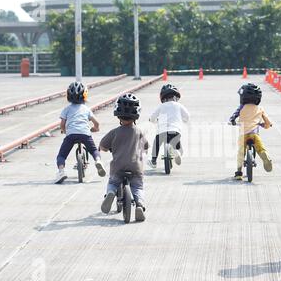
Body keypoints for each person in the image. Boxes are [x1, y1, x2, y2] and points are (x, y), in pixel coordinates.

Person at [99, 93, 149, 222]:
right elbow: (146, 146)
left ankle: (110, 193)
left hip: (118, 167)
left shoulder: (114, 132)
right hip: (135, 167)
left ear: (118, 114)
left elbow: (103, 146)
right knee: (137, 187)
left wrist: (104, 149)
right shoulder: (139, 132)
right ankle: (140, 205)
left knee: (113, 182)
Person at [55, 81, 106, 184]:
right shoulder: (86, 109)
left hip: (71, 135)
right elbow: (96, 122)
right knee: (93, 150)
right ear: (85, 95)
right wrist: (96, 128)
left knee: (61, 155)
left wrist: (65, 131)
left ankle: (61, 172)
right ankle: (98, 161)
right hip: (85, 134)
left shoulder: (66, 109)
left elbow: (62, 124)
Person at [229, 83, 273, 180]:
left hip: (243, 134)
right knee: (260, 147)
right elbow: (268, 122)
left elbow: (234, 115)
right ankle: (265, 157)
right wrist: (266, 125)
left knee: (241, 152)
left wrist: (232, 121)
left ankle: (239, 172)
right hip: (254, 134)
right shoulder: (260, 109)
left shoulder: (241, 107)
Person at [148, 84, 190, 168]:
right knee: (177, 146)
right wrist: (184, 120)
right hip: (175, 130)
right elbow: (187, 116)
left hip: (162, 132)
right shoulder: (179, 105)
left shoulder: (161, 106)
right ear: (176, 97)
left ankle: (153, 161)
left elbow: (153, 117)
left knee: (156, 143)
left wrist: (152, 120)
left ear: (163, 98)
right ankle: (176, 151)